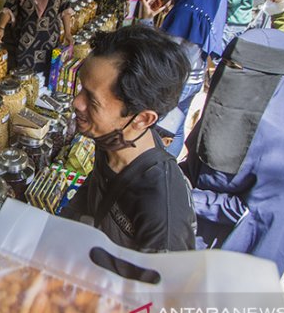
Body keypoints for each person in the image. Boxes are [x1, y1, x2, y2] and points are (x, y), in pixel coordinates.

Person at [181, 29, 284, 276]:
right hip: (182, 229)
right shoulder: (225, 108)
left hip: (219, 251)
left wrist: (186, 196)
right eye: (227, 64)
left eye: (238, 69)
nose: (227, 75)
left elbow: (254, 217)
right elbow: (195, 160)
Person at [61, 26, 196, 252]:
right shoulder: (113, 139)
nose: (76, 102)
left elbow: (156, 285)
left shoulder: (162, 216)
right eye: (81, 88)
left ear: (142, 119)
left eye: (92, 101)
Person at [140, 0, 228, 159]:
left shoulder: (187, 11)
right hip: (193, 79)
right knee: (176, 126)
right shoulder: (205, 5)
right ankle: (169, 163)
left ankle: (159, 167)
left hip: (176, 82)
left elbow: (162, 54)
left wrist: (146, 22)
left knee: (160, 132)